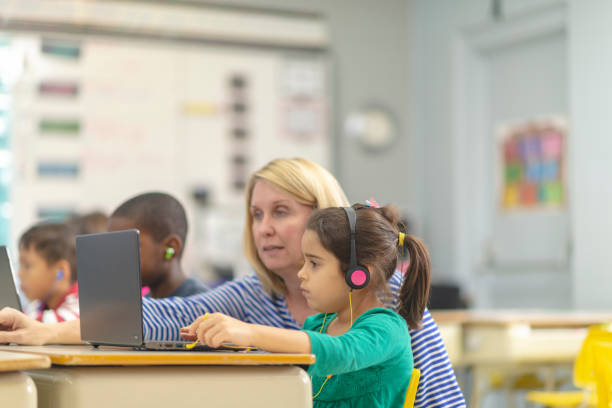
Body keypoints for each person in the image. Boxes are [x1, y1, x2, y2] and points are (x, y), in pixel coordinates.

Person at [0, 158, 465, 408]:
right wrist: (46, 332)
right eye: (256, 214)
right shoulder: (253, 294)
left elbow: (442, 400)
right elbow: (160, 316)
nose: (262, 227)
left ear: (324, 221)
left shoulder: (391, 303)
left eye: (281, 212)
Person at [182, 203, 430, 407]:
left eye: (314, 263)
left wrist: (248, 331)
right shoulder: (317, 325)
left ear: (359, 275)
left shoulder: (387, 329)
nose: (301, 274)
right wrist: (225, 342)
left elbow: (340, 352)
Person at [106, 192, 208, 298]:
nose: (117, 259)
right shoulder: (144, 304)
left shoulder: (202, 306)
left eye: (127, 247)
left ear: (170, 248)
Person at [18, 222, 79, 323]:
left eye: (27, 266)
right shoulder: (37, 306)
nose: (19, 274)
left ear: (61, 272)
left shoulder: (79, 307)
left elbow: (31, 325)